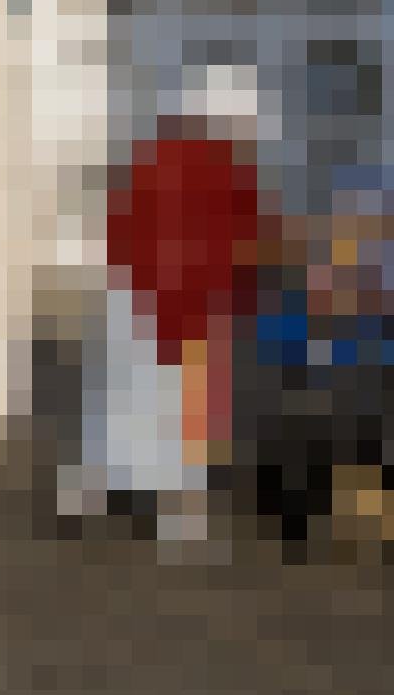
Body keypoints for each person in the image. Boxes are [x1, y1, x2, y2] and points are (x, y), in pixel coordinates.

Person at [66, 68, 278, 545]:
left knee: (124, 401)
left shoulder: (158, 159)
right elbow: (244, 244)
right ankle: (176, 509)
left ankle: (103, 491)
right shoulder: (228, 172)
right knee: (181, 414)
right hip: (186, 308)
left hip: (139, 297)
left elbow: (122, 223)